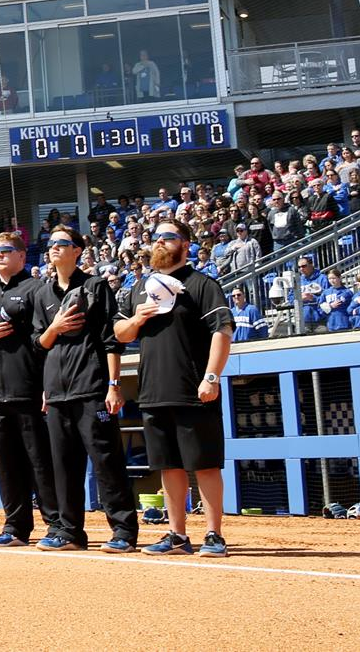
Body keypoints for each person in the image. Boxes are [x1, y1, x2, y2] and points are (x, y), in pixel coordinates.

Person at [116, 217, 234, 557]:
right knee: (168, 466)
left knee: (206, 464)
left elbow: (222, 330)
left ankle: (214, 534)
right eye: (156, 238)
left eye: (167, 237)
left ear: (185, 245)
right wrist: (138, 319)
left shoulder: (201, 284)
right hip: (153, 391)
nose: (159, 243)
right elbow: (120, 335)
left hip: (194, 390)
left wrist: (211, 377)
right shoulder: (141, 288)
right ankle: (177, 535)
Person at [32, 228, 139, 553]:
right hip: (57, 392)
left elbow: (111, 338)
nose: (54, 248)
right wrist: (55, 328)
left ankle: (123, 530)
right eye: (51, 244)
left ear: (78, 250)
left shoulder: (94, 286)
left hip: (92, 388)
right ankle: (70, 531)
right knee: (63, 466)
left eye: (62, 244)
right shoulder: (42, 294)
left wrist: (114, 384)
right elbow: (39, 344)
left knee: (106, 461)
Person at [0, 230, 58, 548]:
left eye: (6, 250)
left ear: (21, 256)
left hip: (29, 390)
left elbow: (45, 340)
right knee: (5, 464)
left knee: (40, 461)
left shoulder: (37, 290)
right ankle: (15, 527)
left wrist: (46, 385)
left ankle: (57, 524)